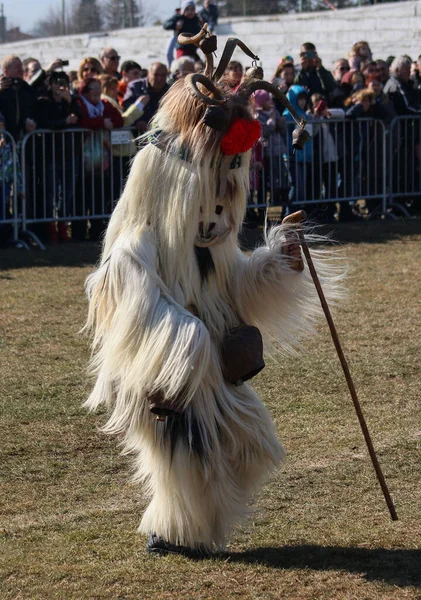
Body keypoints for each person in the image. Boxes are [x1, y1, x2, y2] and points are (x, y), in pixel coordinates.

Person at [84, 28, 342, 558]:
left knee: (252, 447)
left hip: (210, 373)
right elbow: (128, 306)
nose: (219, 209)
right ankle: (174, 532)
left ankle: (190, 531)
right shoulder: (140, 241)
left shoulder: (212, 235)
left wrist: (280, 261)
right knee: (184, 455)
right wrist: (187, 340)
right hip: (167, 381)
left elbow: (236, 283)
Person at [34, 71, 82, 243]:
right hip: (51, 154)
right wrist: (64, 122)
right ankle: (51, 228)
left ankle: (62, 226)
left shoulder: (72, 100)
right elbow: (45, 122)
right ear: (50, 84)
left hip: (69, 154)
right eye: (56, 83)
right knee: (51, 194)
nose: (60, 86)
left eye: (63, 83)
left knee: (67, 194)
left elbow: (80, 119)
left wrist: (70, 102)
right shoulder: (44, 102)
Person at [75, 78, 124, 241]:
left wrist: (102, 122)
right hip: (81, 158)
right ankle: (79, 232)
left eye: (98, 88)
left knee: (98, 194)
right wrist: (101, 122)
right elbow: (82, 122)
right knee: (81, 195)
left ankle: (97, 231)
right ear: (84, 90)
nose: (96, 92)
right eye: (92, 88)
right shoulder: (79, 104)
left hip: (100, 160)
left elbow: (119, 120)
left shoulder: (105, 104)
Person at [98, 74, 150, 201]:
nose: (116, 91)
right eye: (112, 88)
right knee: (119, 190)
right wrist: (138, 106)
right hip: (118, 152)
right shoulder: (107, 101)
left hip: (122, 150)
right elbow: (122, 121)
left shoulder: (111, 101)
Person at [123, 62, 169, 133]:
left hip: (162, 135)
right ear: (148, 74)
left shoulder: (170, 90)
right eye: (156, 75)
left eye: (163, 75)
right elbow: (126, 107)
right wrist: (137, 121)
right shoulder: (135, 87)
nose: (159, 78)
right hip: (138, 136)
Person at [0, 55, 37, 141]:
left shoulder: (26, 88)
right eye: (17, 67)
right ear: (6, 72)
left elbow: (34, 108)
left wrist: (33, 122)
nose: (21, 70)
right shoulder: (2, 89)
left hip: (23, 138)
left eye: (21, 66)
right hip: (5, 139)